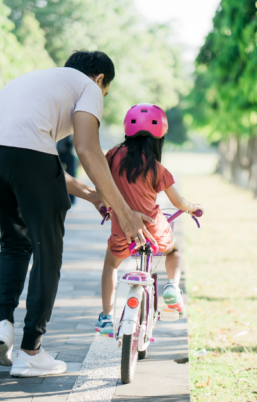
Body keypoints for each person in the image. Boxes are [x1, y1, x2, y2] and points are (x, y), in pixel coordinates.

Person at [0, 51, 159, 377]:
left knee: (15, 240)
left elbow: (42, 165)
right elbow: (86, 149)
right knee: (48, 248)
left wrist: (91, 194)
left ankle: (3, 324)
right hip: (22, 152)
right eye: (105, 92)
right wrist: (125, 211)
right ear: (100, 79)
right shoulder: (87, 87)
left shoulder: (40, 81)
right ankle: (31, 351)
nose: (101, 98)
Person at [94, 103, 203, 335]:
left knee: (111, 264)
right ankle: (172, 286)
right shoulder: (156, 168)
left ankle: (105, 316)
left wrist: (105, 204)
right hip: (154, 231)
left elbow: (100, 181)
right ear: (159, 138)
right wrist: (192, 208)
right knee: (173, 250)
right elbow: (178, 203)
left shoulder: (112, 156)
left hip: (122, 231)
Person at [56, 135, 78, 205]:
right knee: (57, 174)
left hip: (67, 150)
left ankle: (72, 199)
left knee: (70, 176)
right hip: (60, 150)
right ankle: (67, 199)